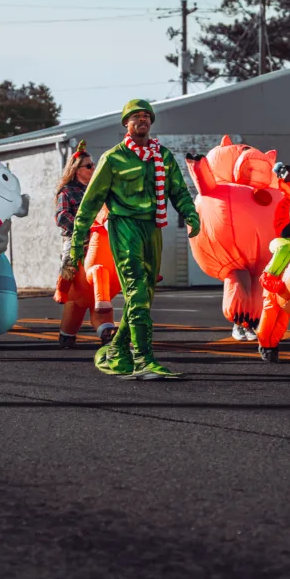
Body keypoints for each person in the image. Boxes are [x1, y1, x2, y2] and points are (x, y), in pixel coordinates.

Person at [65, 99, 200, 379]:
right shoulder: (113, 158)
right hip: (124, 226)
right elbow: (89, 204)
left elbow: (178, 190)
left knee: (144, 296)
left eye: (146, 116)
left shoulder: (162, 155)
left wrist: (191, 214)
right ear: (126, 123)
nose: (142, 120)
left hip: (152, 227)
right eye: (135, 116)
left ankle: (117, 350)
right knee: (136, 291)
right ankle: (143, 360)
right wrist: (77, 244)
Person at [53, 140, 94, 304]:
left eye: (93, 165)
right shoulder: (67, 191)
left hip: (97, 233)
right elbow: (61, 216)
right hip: (75, 235)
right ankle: (62, 288)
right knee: (69, 259)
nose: (93, 168)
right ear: (77, 169)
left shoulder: (95, 189)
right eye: (88, 166)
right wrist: (82, 228)